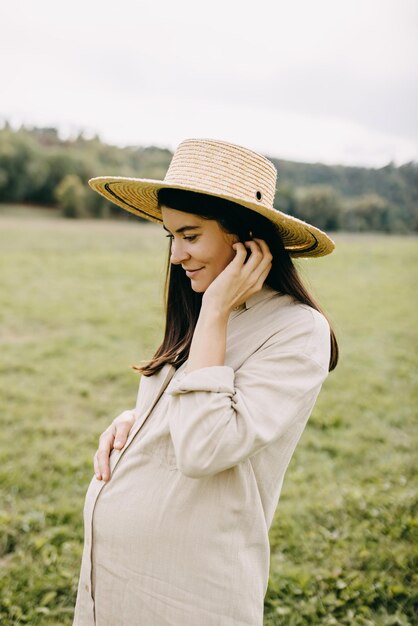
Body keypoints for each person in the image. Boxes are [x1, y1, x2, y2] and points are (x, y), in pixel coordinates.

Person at [73, 138, 338, 626]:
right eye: (170, 236)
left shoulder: (298, 330)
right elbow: (198, 406)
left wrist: (214, 311)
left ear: (246, 237)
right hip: (114, 585)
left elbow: (205, 448)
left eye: (190, 235)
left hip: (188, 595)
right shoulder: (206, 309)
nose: (176, 255)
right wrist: (138, 420)